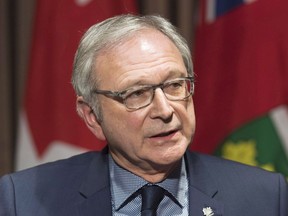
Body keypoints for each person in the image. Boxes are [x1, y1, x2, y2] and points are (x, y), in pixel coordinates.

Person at [0, 14, 287, 216]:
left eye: (175, 85)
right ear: (92, 117)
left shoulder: (264, 196)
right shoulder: (23, 200)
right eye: (137, 94)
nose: (164, 110)